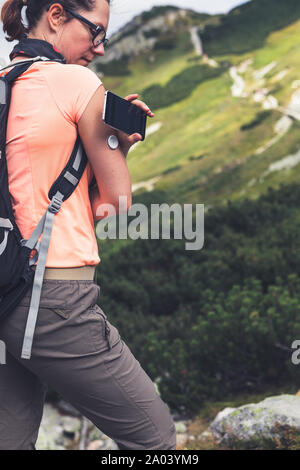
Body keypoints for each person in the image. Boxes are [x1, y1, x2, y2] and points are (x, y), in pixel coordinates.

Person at [0, 0, 177, 451]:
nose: (98, 49)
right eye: (95, 32)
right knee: (155, 439)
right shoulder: (78, 82)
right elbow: (112, 205)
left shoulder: (3, 83)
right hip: (55, 300)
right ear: (56, 16)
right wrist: (119, 145)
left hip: (4, 290)